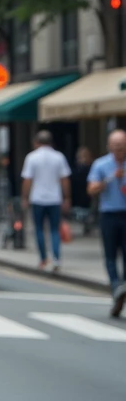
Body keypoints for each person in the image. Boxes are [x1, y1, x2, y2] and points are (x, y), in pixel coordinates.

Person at [87, 128, 126, 317]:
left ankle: (122, 289)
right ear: (109, 146)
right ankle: (116, 287)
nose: (119, 150)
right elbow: (92, 189)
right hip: (109, 215)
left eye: (122, 146)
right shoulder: (101, 165)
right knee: (110, 256)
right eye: (116, 146)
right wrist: (109, 180)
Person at [21, 129, 70, 271]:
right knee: (55, 229)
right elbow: (65, 179)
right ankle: (56, 259)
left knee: (39, 229)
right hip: (55, 198)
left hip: (37, 198)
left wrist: (25, 197)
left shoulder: (32, 157)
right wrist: (67, 198)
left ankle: (43, 258)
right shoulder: (59, 157)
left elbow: (27, 180)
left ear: (37, 142)